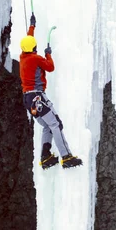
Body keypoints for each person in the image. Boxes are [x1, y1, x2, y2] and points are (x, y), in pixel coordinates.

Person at [19, 13, 82, 169]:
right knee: (56, 124)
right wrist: (48, 54)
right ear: (33, 48)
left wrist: (32, 26)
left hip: (28, 100)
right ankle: (66, 157)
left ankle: (45, 157)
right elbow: (50, 67)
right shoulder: (36, 58)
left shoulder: (23, 57)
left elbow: (28, 40)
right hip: (37, 97)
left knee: (48, 126)